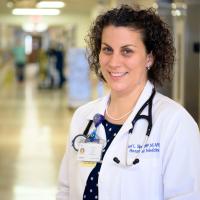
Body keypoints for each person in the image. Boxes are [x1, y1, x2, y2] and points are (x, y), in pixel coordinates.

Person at [56, 5, 200, 200]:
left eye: (127, 51)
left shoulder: (175, 123)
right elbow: (66, 189)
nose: (114, 62)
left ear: (149, 57)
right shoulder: (84, 116)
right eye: (107, 49)